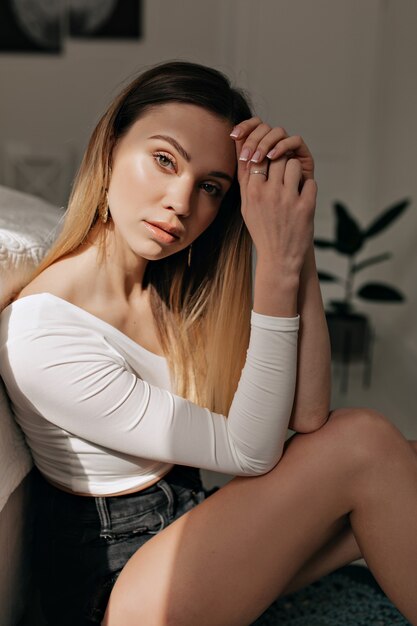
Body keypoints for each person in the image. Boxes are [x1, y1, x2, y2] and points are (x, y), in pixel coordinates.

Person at [0, 60, 416, 626]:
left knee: (402, 459)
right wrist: (275, 265)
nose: (180, 201)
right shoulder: (42, 333)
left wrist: (293, 233)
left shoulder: (168, 293)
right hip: (119, 597)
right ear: (110, 151)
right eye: (164, 160)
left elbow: (309, 413)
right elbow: (252, 452)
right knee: (366, 442)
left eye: (211, 188)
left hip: (189, 539)